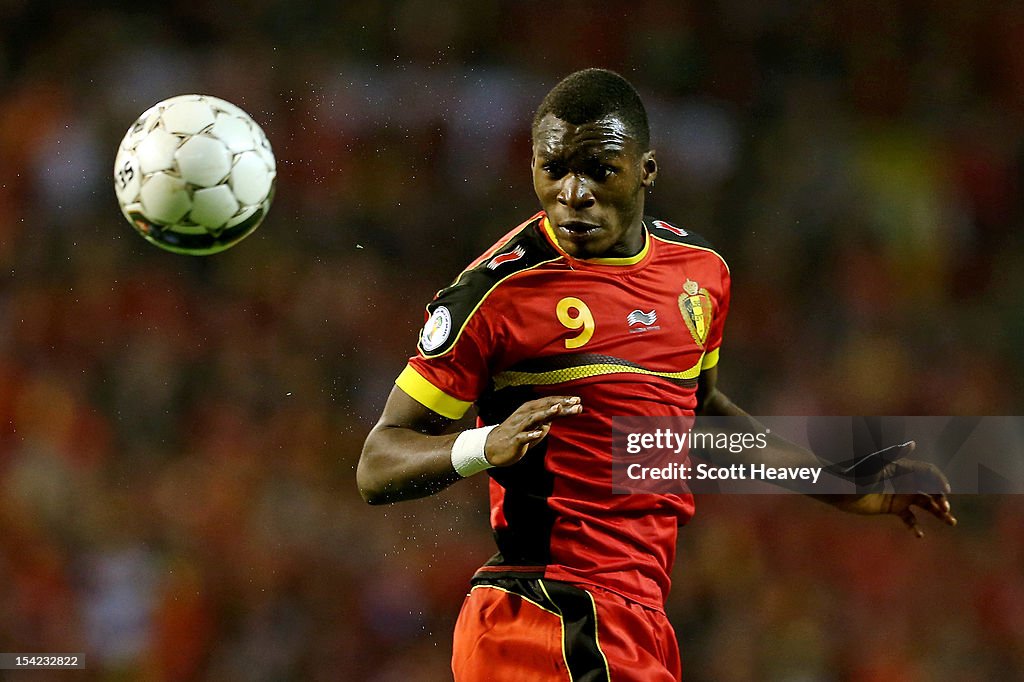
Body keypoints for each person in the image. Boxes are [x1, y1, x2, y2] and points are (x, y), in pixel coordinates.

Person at [357, 68, 957, 681]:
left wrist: (849, 486)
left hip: (633, 622)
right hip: (548, 618)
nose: (573, 192)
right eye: (553, 167)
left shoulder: (699, 274)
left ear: (647, 169)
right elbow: (377, 464)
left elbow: (698, 416)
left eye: (598, 168)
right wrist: (485, 444)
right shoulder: (496, 293)